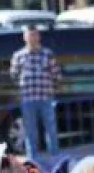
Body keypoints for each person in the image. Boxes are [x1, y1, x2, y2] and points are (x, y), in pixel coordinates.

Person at [10, 26, 61, 160]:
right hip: (27, 99)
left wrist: (53, 88)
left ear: (38, 37)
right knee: (30, 132)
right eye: (29, 35)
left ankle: (55, 159)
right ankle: (33, 161)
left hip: (45, 98)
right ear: (24, 37)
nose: (32, 38)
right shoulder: (18, 55)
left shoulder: (47, 54)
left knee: (51, 130)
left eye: (34, 35)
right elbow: (13, 75)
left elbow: (56, 74)